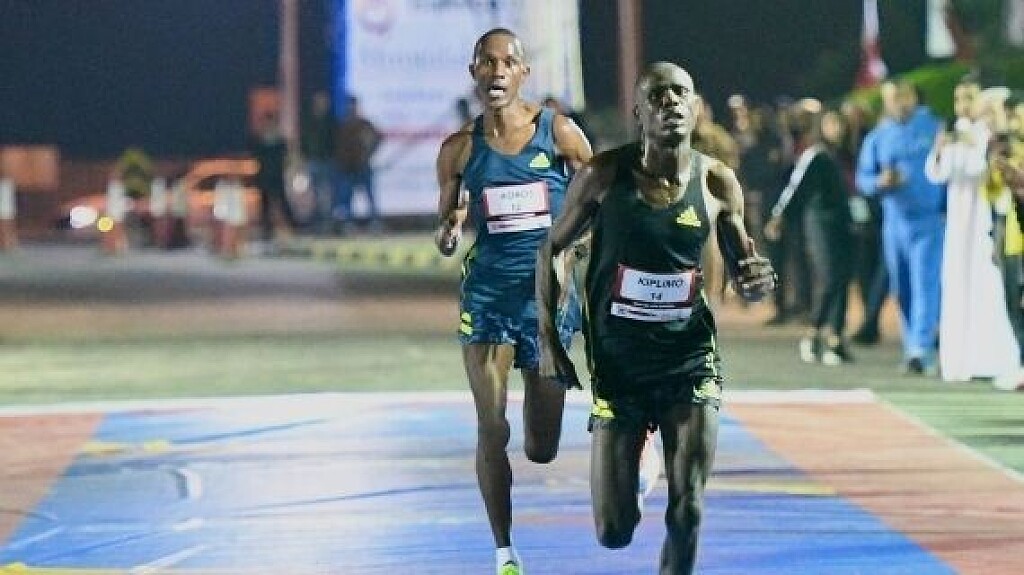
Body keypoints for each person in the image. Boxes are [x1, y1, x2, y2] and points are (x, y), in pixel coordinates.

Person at [537, 62, 777, 575]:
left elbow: (745, 267)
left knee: (688, 509)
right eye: (657, 96)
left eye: (680, 93)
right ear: (639, 114)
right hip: (619, 364)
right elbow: (550, 249)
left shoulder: (717, 182)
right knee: (614, 531)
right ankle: (640, 459)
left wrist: (757, 280)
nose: (670, 102)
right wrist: (549, 341)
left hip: (689, 358)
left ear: (696, 107)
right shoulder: (602, 176)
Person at [432, 28, 592, 575]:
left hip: (547, 303)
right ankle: (504, 550)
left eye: (508, 62)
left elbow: (597, 204)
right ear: (474, 72)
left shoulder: (561, 133)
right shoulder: (458, 149)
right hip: (488, 298)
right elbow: (448, 223)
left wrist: (575, 250)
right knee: (491, 427)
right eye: (487, 62)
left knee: (541, 446)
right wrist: (449, 231)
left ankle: (541, 415)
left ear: (524, 72)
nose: (497, 71)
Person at [926, 80, 1019, 382]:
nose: (963, 105)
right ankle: (958, 360)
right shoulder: (953, 132)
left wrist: (972, 144)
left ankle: (991, 359)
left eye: (969, 98)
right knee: (956, 282)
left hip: (984, 218)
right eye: (958, 98)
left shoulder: (988, 134)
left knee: (987, 284)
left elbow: (983, 169)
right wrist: (941, 148)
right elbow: (937, 173)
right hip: (958, 220)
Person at [855, 79, 945, 374]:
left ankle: (921, 347)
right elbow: (863, 179)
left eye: (904, 97)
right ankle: (912, 347)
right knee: (902, 286)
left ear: (913, 98)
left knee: (925, 283)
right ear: (887, 101)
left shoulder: (934, 128)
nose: (900, 103)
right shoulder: (879, 137)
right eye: (894, 98)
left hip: (928, 220)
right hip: (895, 223)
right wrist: (880, 182)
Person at [765, 99, 854, 365]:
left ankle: (836, 338)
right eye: (831, 123)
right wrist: (779, 217)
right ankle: (814, 334)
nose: (837, 129)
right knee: (830, 278)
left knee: (842, 278)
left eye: (840, 124)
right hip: (821, 223)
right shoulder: (815, 155)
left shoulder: (846, 155)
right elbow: (795, 189)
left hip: (845, 222)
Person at [335, 95, 383, 234]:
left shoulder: (364, 124)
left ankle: (375, 223)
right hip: (347, 167)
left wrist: (368, 154)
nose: (351, 109)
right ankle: (347, 224)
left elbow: (378, 138)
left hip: (362, 166)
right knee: (347, 197)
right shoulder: (342, 125)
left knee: (370, 196)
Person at [248, 111, 296, 245]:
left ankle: (293, 226)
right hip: (264, 177)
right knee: (265, 206)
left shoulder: (280, 142)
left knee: (283, 202)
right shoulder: (258, 141)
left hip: (276, 177)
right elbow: (256, 157)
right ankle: (266, 230)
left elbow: (286, 158)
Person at [301, 90, 338, 234]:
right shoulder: (309, 121)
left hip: (327, 161)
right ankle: (317, 223)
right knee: (315, 194)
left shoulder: (331, 121)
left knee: (328, 194)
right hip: (313, 160)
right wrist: (305, 156)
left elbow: (335, 141)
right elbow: (304, 140)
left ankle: (328, 223)